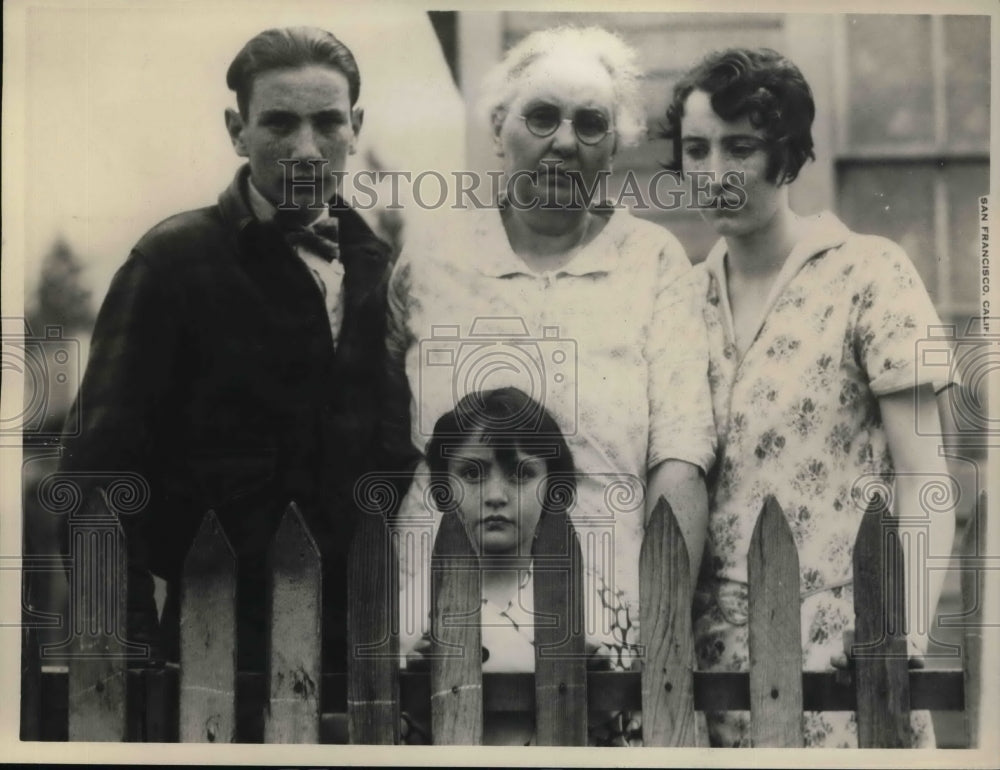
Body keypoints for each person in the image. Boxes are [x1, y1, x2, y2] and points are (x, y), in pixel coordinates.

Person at [383, 26, 716, 745]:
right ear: (500, 127)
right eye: (542, 116)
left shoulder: (653, 264)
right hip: (441, 619)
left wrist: (652, 632)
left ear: (614, 143)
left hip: (605, 620)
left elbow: (681, 459)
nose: (565, 140)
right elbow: (387, 441)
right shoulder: (432, 263)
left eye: (590, 122)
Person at [59, 27, 395, 680]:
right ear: (236, 130)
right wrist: (130, 666)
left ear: (355, 126)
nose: (305, 148)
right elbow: (93, 482)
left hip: (364, 654)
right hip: (209, 653)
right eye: (278, 123)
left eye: (327, 122)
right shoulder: (173, 263)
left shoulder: (378, 268)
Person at [664, 47, 956, 747]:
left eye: (741, 148)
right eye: (696, 150)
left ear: (788, 155)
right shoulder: (680, 298)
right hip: (715, 668)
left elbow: (926, 476)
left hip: (845, 651)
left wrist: (900, 625)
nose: (715, 173)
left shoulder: (868, 272)